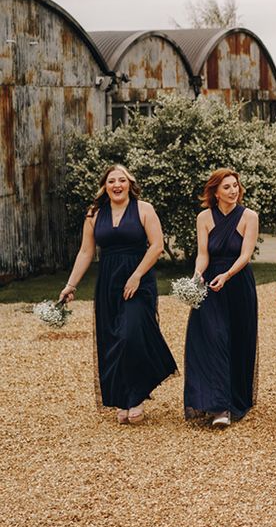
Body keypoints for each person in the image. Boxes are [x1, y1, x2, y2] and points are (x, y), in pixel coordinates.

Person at [59, 164, 177, 424]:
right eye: (111, 181)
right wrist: (71, 285)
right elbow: (86, 253)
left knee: (130, 335)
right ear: (105, 186)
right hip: (108, 283)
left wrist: (136, 275)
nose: (117, 185)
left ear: (129, 183)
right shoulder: (94, 214)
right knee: (112, 339)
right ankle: (123, 398)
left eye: (121, 180)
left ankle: (136, 397)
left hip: (138, 280)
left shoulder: (144, 209)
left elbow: (156, 246)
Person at [184, 169, 259, 428]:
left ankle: (235, 398)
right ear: (215, 192)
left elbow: (245, 255)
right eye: (226, 187)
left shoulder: (249, 217)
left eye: (235, 185)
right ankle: (218, 405)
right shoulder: (204, 217)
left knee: (237, 340)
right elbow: (203, 253)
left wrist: (226, 275)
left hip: (237, 283)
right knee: (211, 340)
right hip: (210, 285)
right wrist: (197, 276)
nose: (233, 190)